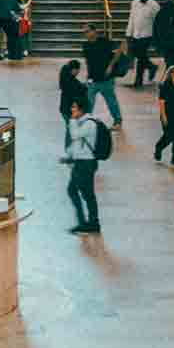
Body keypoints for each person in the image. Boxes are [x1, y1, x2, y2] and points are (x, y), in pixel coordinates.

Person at [62, 95, 102, 234]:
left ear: (82, 109)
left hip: (85, 164)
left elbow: (75, 135)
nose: (71, 109)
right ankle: (93, 223)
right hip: (83, 162)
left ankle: (83, 222)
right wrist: (69, 156)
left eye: (74, 107)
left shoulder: (89, 123)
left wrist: (72, 120)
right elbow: (77, 143)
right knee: (88, 193)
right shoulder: (83, 122)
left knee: (72, 190)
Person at [82, 22, 123, 128]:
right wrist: (87, 76)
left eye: (87, 31)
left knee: (111, 102)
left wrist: (111, 66)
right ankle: (86, 121)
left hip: (106, 79)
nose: (86, 34)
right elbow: (88, 62)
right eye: (84, 32)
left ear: (94, 31)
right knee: (88, 102)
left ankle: (117, 121)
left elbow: (120, 49)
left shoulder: (104, 42)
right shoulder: (85, 46)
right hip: (93, 80)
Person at [125, 0, 160, 87]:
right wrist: (128, 33)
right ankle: (152, 67)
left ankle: (138, 80)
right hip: (136, 34)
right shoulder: (135, 3)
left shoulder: (154, 6)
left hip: (147, 35)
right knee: (139, 55)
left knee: (140, 57)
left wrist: (156, 37)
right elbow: (131, 18)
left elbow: (157, 22)